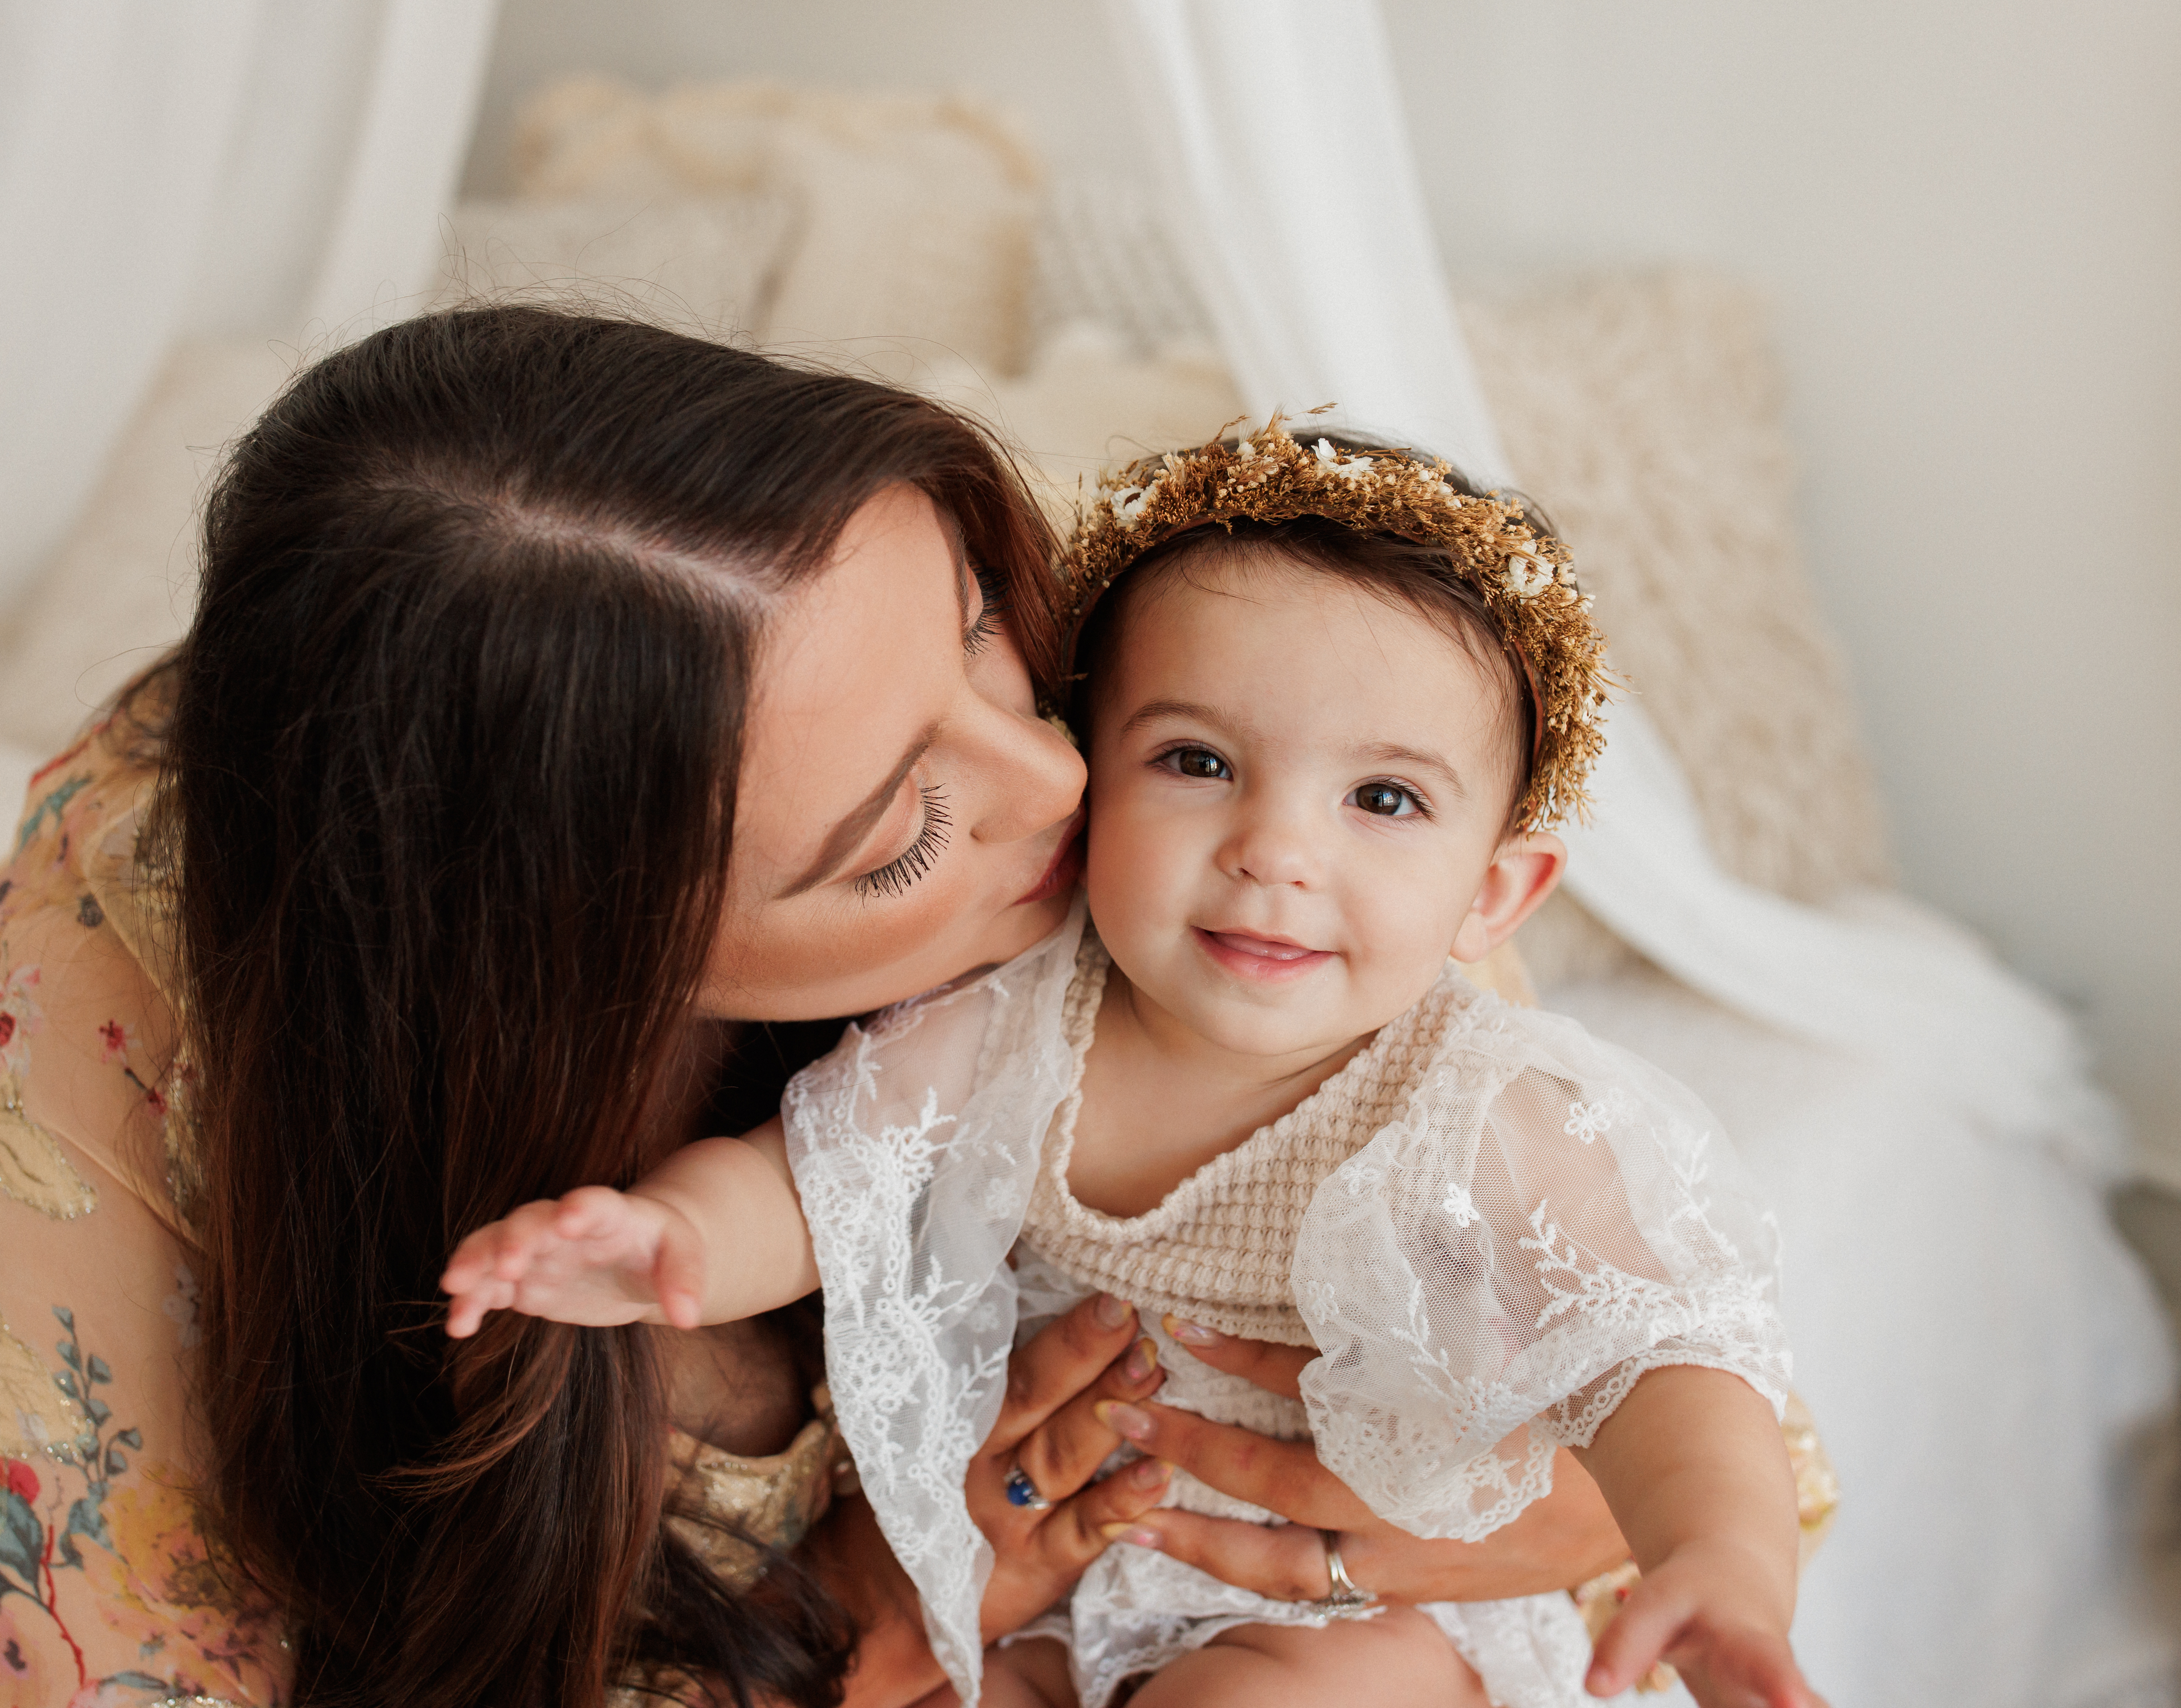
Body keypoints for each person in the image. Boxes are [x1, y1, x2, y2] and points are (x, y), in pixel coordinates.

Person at [0, 308, 1632, 1708]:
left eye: (985, 631)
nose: (1065, 770)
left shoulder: (1209, 734)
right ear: (573, 962)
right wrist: (857, 1610)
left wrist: (1534, 1516)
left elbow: (1686, 1398)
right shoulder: (97, 1127)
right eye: (902, 834)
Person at [443, 424, 1825, 1708]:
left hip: (1339, 1619)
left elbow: (1667, 1364)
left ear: (1495, 897)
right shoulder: (1021, 1019)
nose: (1277, 849)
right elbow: (816, 1183)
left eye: (1384, 799)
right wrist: (668, 1238)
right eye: (1197, 760)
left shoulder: (1492, 1107)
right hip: (1036, 1594)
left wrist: (1723, 1559)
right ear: (1090, 774)